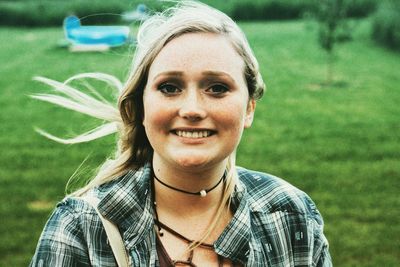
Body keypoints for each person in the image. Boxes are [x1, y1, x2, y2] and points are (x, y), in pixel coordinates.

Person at [30, 1, 332, 266]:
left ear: (249, 108)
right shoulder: (79, 229)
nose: (192, 109)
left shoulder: (292, 215)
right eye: (169, 87)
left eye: (217, 88)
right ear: (141, 104)